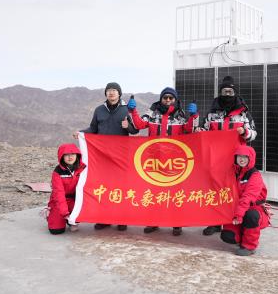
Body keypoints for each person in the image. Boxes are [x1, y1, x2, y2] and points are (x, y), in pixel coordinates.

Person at [127, 86, 198, 236]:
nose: (167, 100)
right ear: (161, 99)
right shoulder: (152, 113)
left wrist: (194, 116)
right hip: (154, 162)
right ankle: (153, 222)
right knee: (154, 192)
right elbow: (139, 125)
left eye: (170, 98)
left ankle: (176, 224)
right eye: (165, 98)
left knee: (175, 193)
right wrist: (132, 111)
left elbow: (190, 130)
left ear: (175, 100)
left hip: (175, 162)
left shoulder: (181, 115)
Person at [73, 82, 138, 231]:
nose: (111, 93)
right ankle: (104, 219)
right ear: (106, 93)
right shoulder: (99, 110)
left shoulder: (127, 110)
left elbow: (135, 130)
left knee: (120, 187)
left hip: (120, 156)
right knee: (104, 187)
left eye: (114, 90)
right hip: (102, 156)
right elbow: (93, 128)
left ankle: (121, 219)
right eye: (109, 90)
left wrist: (127, 126)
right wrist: (81, 133)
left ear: (119, 93)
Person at [201, 75, 257, 236]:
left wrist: (245, 132)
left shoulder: (244, 113)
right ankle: (214, 222)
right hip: (216, 160)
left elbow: (253, 134)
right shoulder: (212, 112)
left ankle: (232, 221)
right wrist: (199, 131)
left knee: (233, 191)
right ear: (220, 93)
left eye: (230, 91)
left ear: (235, 93)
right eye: (224, 91)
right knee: (215, 191)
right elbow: (205, 131)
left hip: (236, 161)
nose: (227, 94)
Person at [220, 144, 270, 256]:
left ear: (250, 158)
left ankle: (249, 246)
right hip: (238, 209)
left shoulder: (254, 175)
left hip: (254, 209)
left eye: (245, 157)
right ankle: (241, 233)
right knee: (228, 236)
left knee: (251, 216)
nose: (241, 159)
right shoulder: (233, 172)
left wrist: (238, 215)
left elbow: (248, 197)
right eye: (239, 156)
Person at [47, 143, 86, 235]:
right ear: (62, 157)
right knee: (56, 230)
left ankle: (72, 220)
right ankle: (53, 214)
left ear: (77, 155)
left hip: (75, 199)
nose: (70, 157)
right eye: (66, 155)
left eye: (72, 154)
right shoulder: (57, 172)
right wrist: (64, 213)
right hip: (60, 201)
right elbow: (59, 193)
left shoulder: (83, 168)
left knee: (77, 215)